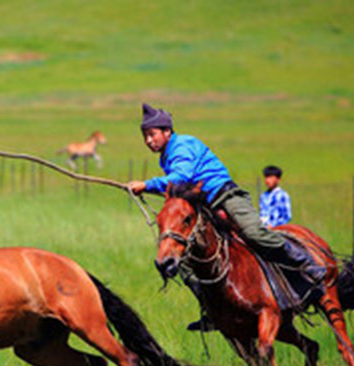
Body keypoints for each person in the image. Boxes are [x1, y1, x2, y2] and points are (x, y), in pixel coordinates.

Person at [128, 103, 325, 332]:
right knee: (185, 260)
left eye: (151, 134)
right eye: (145, 136)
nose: (148, 141)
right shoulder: (165, 157)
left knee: (254, 232)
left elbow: (181, 178)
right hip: (206, 205)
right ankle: (211, 311)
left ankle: (306, 264)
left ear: (167, 131)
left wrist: (146, 185)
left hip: (225, 195)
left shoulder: (181, 146)